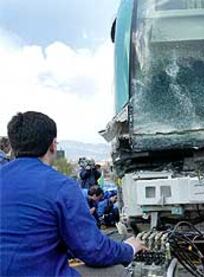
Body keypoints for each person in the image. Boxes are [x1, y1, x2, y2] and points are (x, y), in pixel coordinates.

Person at [0, 111, 147, 276]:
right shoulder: (61, 186)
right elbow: (92, 250)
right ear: (53, 145)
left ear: (13, 146)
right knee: (121, 271)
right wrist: (129, 248)